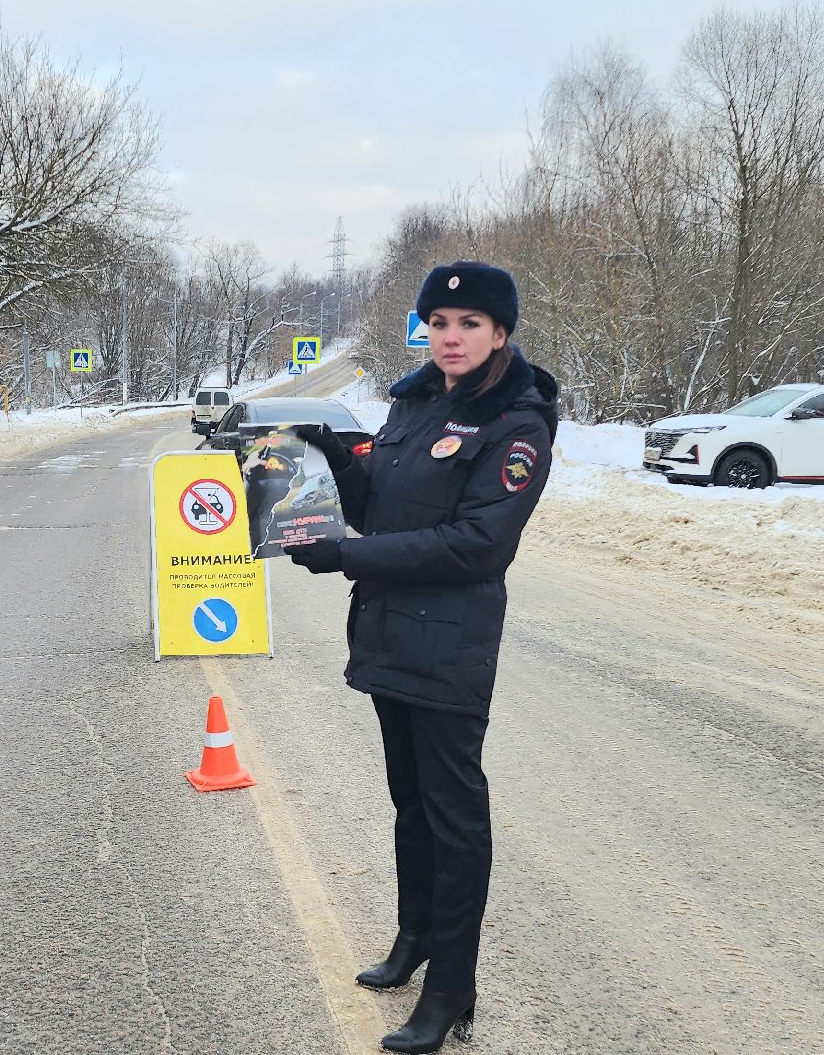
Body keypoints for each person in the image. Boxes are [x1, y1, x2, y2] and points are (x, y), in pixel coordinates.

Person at [284, 260, 557, 1054]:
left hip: (450, 645)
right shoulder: (413, 403)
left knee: (454, 817)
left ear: (500, 333)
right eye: (439, 323)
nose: (451, 337)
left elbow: (477, 545)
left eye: (470, 324)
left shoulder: (517, 424)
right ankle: (414, 940)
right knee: (411, 802)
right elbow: (378, 509)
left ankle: (451, 989)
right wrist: (336, 460)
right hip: (390, 633)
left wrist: (345, 556)